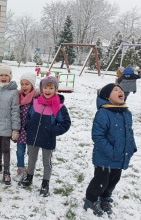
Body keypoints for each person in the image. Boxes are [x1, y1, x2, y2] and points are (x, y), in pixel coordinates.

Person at [83, 83, 137, 217]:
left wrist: (132, 147)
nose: (121, 91)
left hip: (121, 156)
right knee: (101, 180)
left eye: (121, 89)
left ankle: (105, 197)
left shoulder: (126, 112)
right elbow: (97, 136)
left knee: (114, 179)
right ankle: (91, 198)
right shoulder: (103, 113)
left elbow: (129, 133)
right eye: (116, 90)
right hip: (105, 157)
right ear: (107, 97)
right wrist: (111, 152)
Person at [18, 76, 71, 197]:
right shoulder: (36, 101)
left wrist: (53, 131)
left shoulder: (60, 106)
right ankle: (29, 178)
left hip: (48, 138)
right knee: (31, 158)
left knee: (46, 162)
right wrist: (28, 126)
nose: (48, 90)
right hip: (33, 137)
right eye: (45, 87)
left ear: (55, 89)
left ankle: (45, 183)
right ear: (42, 89)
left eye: (51, 88)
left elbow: (66, 123)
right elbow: (29, 116)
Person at [13, 72, 36, 182]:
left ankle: (30, 171)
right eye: (22, 84)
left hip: (31, 130)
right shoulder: (18, 96)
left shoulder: (36, 97)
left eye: (27, 84)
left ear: (32, 85)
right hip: (20, 129)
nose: (24, 86)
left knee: (31, 152)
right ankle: (21, 170)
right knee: (20, 151)